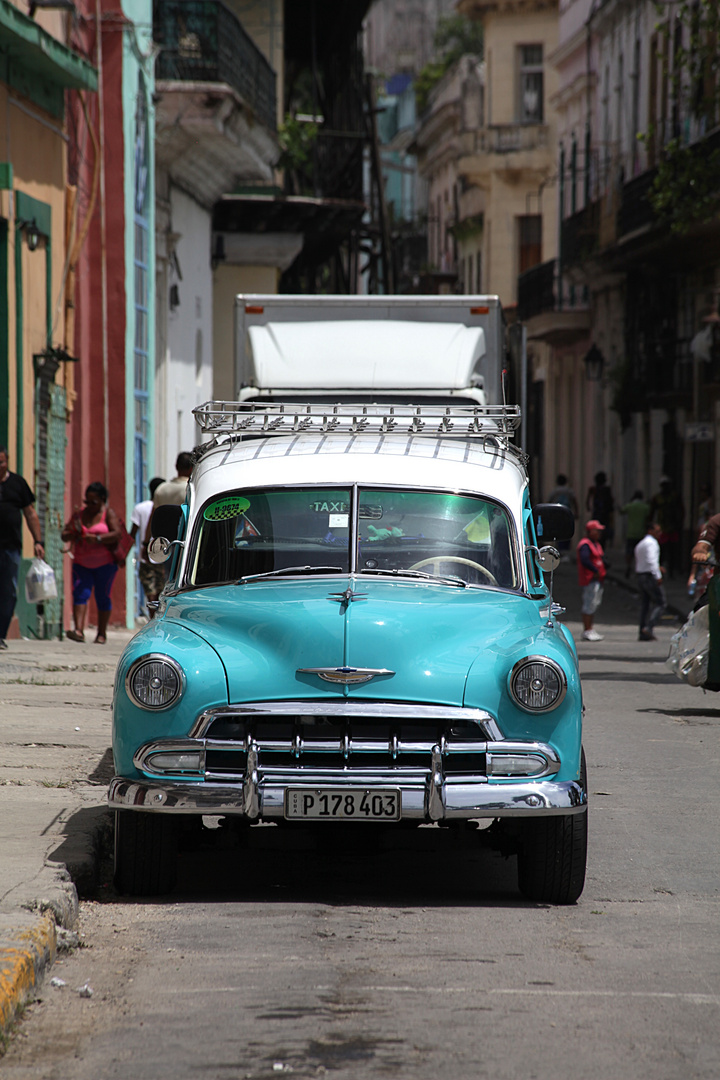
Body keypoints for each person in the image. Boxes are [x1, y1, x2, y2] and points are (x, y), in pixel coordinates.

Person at [61, 482, 121, 644]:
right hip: (82, 563)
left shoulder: (108, 514)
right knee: (80, 593)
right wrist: (72, 534)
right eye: (87, 502)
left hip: (105, 564)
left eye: (93, 502)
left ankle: (101, 633)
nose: (89, 506)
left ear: (102, 500)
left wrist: (98, 539)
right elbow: (65, 534)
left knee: (103, 596)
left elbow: (117, 533)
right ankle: (79, 630)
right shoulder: (79, 515)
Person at [0, 447, 45, 649]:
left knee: (8, 591)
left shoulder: (18, 484)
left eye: (1, 462)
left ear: (7, 461)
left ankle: (1, 634)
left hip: (11, 548)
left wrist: (38, 541)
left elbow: (30, 514)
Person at [130, 477, 165, 618]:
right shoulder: (164, 508)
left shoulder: (140, 508)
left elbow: (132, 534)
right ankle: (157, 618)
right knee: (161, 590)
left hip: (146, 556)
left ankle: (152, 619)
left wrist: (123, 554)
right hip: (163, 555)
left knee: (150, 590)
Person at [634, 522, 666, 641]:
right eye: (657, 531)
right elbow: (651, 561)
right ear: (650, 531)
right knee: (661, 602)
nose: (660, 534)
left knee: (645, 604)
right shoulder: (651, 543)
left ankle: (642, 632)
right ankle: (649, 627)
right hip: (649, 576)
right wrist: (658, 575)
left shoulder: (641, 543)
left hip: (641, 575)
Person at [577, 519, 607, 641]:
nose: (599, 533)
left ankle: (590, 628)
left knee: (594, 604)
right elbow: (585, 560)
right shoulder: (585, 544)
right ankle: (587, 630)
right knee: (589, 604)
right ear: (591, 531)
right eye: (597, 530)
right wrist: (595, 570)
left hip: (598, 579)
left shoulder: (596, 543)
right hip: (590, 579)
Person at [650, 476, 684, 578]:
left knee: (673, 550)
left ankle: (672, 571)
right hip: (662, 528)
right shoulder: (657, 498)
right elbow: (652, 512)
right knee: (661, 551)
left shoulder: (674, 496)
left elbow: (681, 510)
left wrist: (679, 523)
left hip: (672, 527)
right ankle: (660, 570)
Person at [619, 490, 650, 578]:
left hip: (631, 533)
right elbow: (649, 516)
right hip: (641, 534)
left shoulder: (630, 506)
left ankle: (628, 566)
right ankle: (639, 569)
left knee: (629, 552)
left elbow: (621, 511)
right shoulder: (645, 507)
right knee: (640, 553)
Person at [547, 473, 578, 557]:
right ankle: (565, 551)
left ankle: (560, 550)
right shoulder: (569, 491)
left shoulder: (555, 491)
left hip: (557, 514)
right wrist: (576, 512)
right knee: (567, 531)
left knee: (558, 532)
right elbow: (574, 501)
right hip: (567, 513)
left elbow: (549, 501)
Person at [585, 471, 615, 547]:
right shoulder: (606, 489)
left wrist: (589, 508)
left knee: (596, 530)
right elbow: (610, 501)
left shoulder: (593, 489)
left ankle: (597, 546)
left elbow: (588, 500)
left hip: (598, 512)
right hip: (605, 513)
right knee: (603, 532)